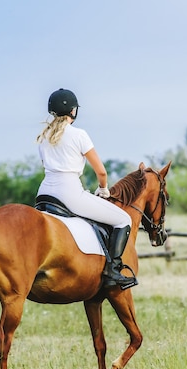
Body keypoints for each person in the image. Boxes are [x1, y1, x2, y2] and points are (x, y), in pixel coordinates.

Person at [36, 88, 137, 289]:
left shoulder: (43, 137)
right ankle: (112, 272)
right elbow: (101, 172)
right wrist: (103, 189)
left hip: (44, 195)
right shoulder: (79, 135)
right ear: (73, 111)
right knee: (123, 219)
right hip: (70, 193)